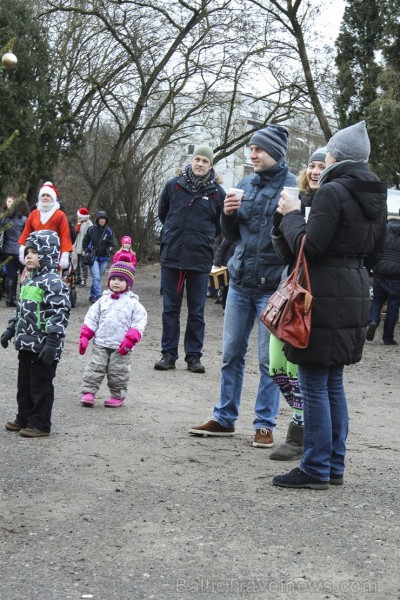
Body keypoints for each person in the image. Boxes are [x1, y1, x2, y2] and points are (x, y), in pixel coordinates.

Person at [271, 121, 387, 489]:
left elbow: (311, 248)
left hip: (322, 293)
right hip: (355, 289)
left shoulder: (332, 192)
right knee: (332, 382)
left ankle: (315, 468)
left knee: (314, 383)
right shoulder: (375, 195)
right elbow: (377, 253)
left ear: (337, 155)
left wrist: (290, 215)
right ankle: (333, 465)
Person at [188, 124, 297, 447]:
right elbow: (233, 235)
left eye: (259, 149)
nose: (252, 154)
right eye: (251, 148)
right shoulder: (245, 184)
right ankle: (224, 418)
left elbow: (295, 240)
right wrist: (228, 214)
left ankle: (264, 424)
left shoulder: (291, 189)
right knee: (231, 354)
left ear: (275, 153)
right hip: (239, 284)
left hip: (272, 288)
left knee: (268, 360)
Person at [268, 148, 327, 461]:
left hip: (312, 294)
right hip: (288, 290)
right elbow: (287, 253)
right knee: (276, 364)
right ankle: (301, 418)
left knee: (300, 366)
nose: (315, 171)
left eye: (321, 165)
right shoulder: (299, 199)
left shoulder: (328, 202)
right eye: (312, 166)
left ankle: (299, 430)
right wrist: (280, 222)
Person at [154, 144, 225, 373]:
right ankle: (168, 355)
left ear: (210, 165)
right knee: (170, 309)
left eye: (205, 161)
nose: (200, 164)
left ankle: (193, 357)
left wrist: (202, 239)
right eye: (197, 159)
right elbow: (163, 214)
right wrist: (174, 235)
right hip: (172, 257)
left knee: (197, 312)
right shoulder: (173, 186)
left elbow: (220, 226)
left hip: (200, 260)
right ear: (191, 160)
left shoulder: (217, 193)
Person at [1, 230, 71, 437]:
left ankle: (40, 423)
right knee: (24, 385)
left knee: (40, 386)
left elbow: (59, 314)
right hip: (26, 343)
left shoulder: (54, 283)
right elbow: (20, 310)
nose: (29, 256)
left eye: (35, 252)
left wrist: (52, 342)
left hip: (44, 345)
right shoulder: (28, 281)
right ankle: (24, 418)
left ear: (48, 254)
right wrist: (10, 329)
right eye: (28, 252)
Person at [78, 258, 147, 407]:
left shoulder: (134, 304)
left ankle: (118, 395)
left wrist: (130, 340)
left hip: (121, 346)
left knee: (118, 372)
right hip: (101, 343)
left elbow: (139, 322)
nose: (116, 282)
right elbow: (92, 318)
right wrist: (85, 336)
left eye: (121, 280)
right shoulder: (102, 301)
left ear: (128, 284)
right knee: (95, 367)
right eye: (113, 279)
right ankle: (88, 392)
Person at [18, 184, 73, 270]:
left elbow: (65, 236)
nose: (45, 197)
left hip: (53, 256)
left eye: (48, 195)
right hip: (35, 254)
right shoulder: (34, 214)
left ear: (53, 198)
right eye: (43, 195)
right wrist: (22, 249)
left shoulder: (60, 215)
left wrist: (64, 255)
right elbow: (26, 233)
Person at [366, 215, 400, 345]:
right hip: (397, 275)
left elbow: (374, 248)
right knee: (393, 305)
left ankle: (373, 320)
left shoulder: (383, 229)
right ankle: (387, 338)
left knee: (377, 299)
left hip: (380, 270)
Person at [0, 196, 30, 307]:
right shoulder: (24, 219)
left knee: (10, 275)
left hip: (6, 251)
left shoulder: (4, 219)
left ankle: (9, 298)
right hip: (20, 251)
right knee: (24, 274)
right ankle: (23, 298)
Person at [82, 210, 115, 303]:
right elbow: (85, 242)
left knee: (98, 278)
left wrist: (110, 250)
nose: (102, 220)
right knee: (96, 277)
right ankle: (98, 297)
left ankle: (92, 295)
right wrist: (87, 251)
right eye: (100, 219)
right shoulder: (91, 230)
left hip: (104, 258)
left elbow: (112, 244)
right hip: (94, 258)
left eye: (103, 219)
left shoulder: (109, 231)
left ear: (106, 220)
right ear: (97, 220)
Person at [73, 207, 93, 286]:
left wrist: (87, 248)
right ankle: (78, 278)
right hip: (77, 246)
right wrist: (78, 225)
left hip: (83, 247)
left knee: (83, 264)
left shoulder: (89, 224)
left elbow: (88, 237)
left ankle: (84, 279)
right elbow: (75, 232)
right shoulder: (79, 223)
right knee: (76, 263)